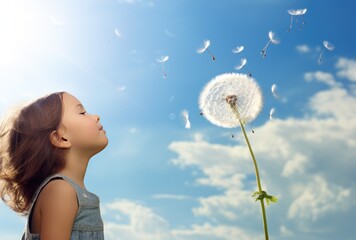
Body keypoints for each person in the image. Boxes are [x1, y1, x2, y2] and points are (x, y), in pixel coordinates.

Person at [0, 92, 108, 240]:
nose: (96, 116)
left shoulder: (66, 191)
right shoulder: (61, 191)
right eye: (82, 112)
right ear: (60, 138)